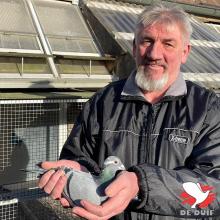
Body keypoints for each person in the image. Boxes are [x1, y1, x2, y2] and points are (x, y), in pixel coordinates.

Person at [38, 3, 220, 220]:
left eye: (168, 44)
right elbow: (79, 157)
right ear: (134, 47)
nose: (154, 54)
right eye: (147, 41)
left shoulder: (207, 109)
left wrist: (141, 184)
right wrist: (76, 171)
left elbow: (215, 190)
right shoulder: (102, 102)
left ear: (185, 52)